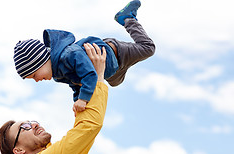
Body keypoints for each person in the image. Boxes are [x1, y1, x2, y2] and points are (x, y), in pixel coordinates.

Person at [13, 0, 155, 114]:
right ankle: (126, 63)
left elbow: (89, 75)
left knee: (148, 48)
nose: (36, 80)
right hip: (112, 70)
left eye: (34, 75)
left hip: (116, 53)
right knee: (116, 82)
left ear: (42, 61)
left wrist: (83, 99)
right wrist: (78, 103)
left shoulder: (69, 55)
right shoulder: (58, 75)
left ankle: (128, 18)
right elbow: (76, 86)